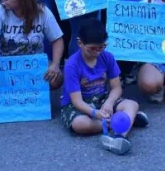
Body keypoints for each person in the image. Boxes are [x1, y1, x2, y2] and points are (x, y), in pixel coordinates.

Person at [59, 20, 143, 156]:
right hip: (78, 104)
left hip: (101, 97)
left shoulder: (108, 57)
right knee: (79, 124)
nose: (97, 52)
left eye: (102, 47)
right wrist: (95, 113)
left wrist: (109, 102)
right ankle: (122, 121)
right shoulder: (72, 65)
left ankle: (120, 136)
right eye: (92, 48)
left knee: (132, 104)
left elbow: (116, 87)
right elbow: (76, 101)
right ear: (80, 43)